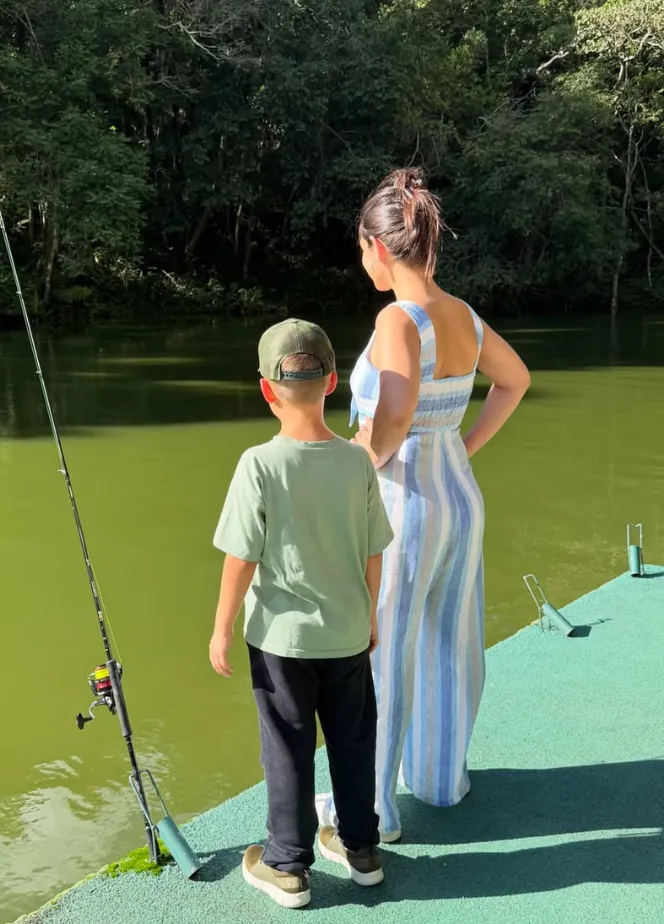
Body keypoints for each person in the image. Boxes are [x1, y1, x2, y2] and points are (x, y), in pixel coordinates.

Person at [316, 167, 531, 842]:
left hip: (403, 506)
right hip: (460, 498)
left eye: (361, 249)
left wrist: (358, 460)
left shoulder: (395, 318)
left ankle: (373, 810)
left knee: (382, 652)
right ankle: (440, 779)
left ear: (379, 248)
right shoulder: (462, 314)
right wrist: (463, 445)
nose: (362, 262)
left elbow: (398, 409)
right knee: (450, 641)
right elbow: (515, 380)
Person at [209, 319, 395, 909]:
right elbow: (374, 552)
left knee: (287, 747)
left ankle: (287, 865)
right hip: (346, 634)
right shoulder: (358, 462)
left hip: (280, 642)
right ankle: (362, 849)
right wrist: (369, 617)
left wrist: (219, 629)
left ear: (265, 390)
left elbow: (240, 559)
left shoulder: (257, 465)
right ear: (333, 381)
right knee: (353, 741)